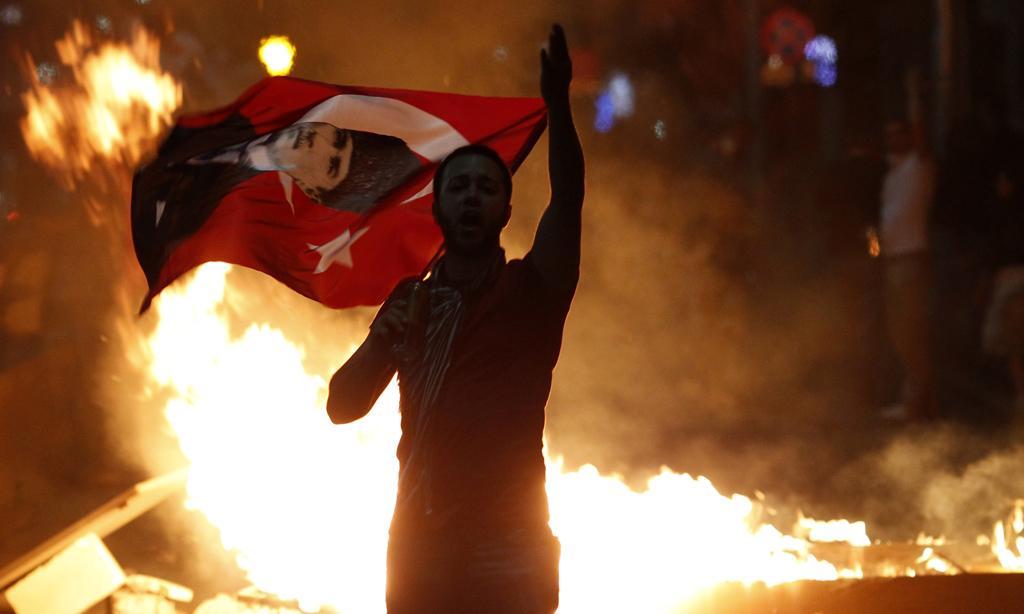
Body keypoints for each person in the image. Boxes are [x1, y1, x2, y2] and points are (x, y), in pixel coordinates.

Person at [326, 24, 583, 614]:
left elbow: (568, 200)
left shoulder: (531, 290)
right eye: (459, 186)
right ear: (438, 208)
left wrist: (559, 106)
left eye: (485, 188)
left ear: (505, 209)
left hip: (509, 539)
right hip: (421, 537)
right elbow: (343, 406)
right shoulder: (412, 301)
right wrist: (383, 341)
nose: (471, 196)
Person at [188, 120, 420, 213]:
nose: (318, 142)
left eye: (332, 165)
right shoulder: (236, 121)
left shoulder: (219, 208)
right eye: (338, 138)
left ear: (310, 190)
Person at [878, 112, 936, 421]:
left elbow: (924, 143)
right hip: (894, 260)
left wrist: (914, 98)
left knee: (911, 332)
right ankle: (915, 398)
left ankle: (918, 402)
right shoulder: (893, 173)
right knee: (901, 332)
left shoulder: (919, 167)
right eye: (888, 135)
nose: (892, 140)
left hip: (911, 259)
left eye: (899, 133)